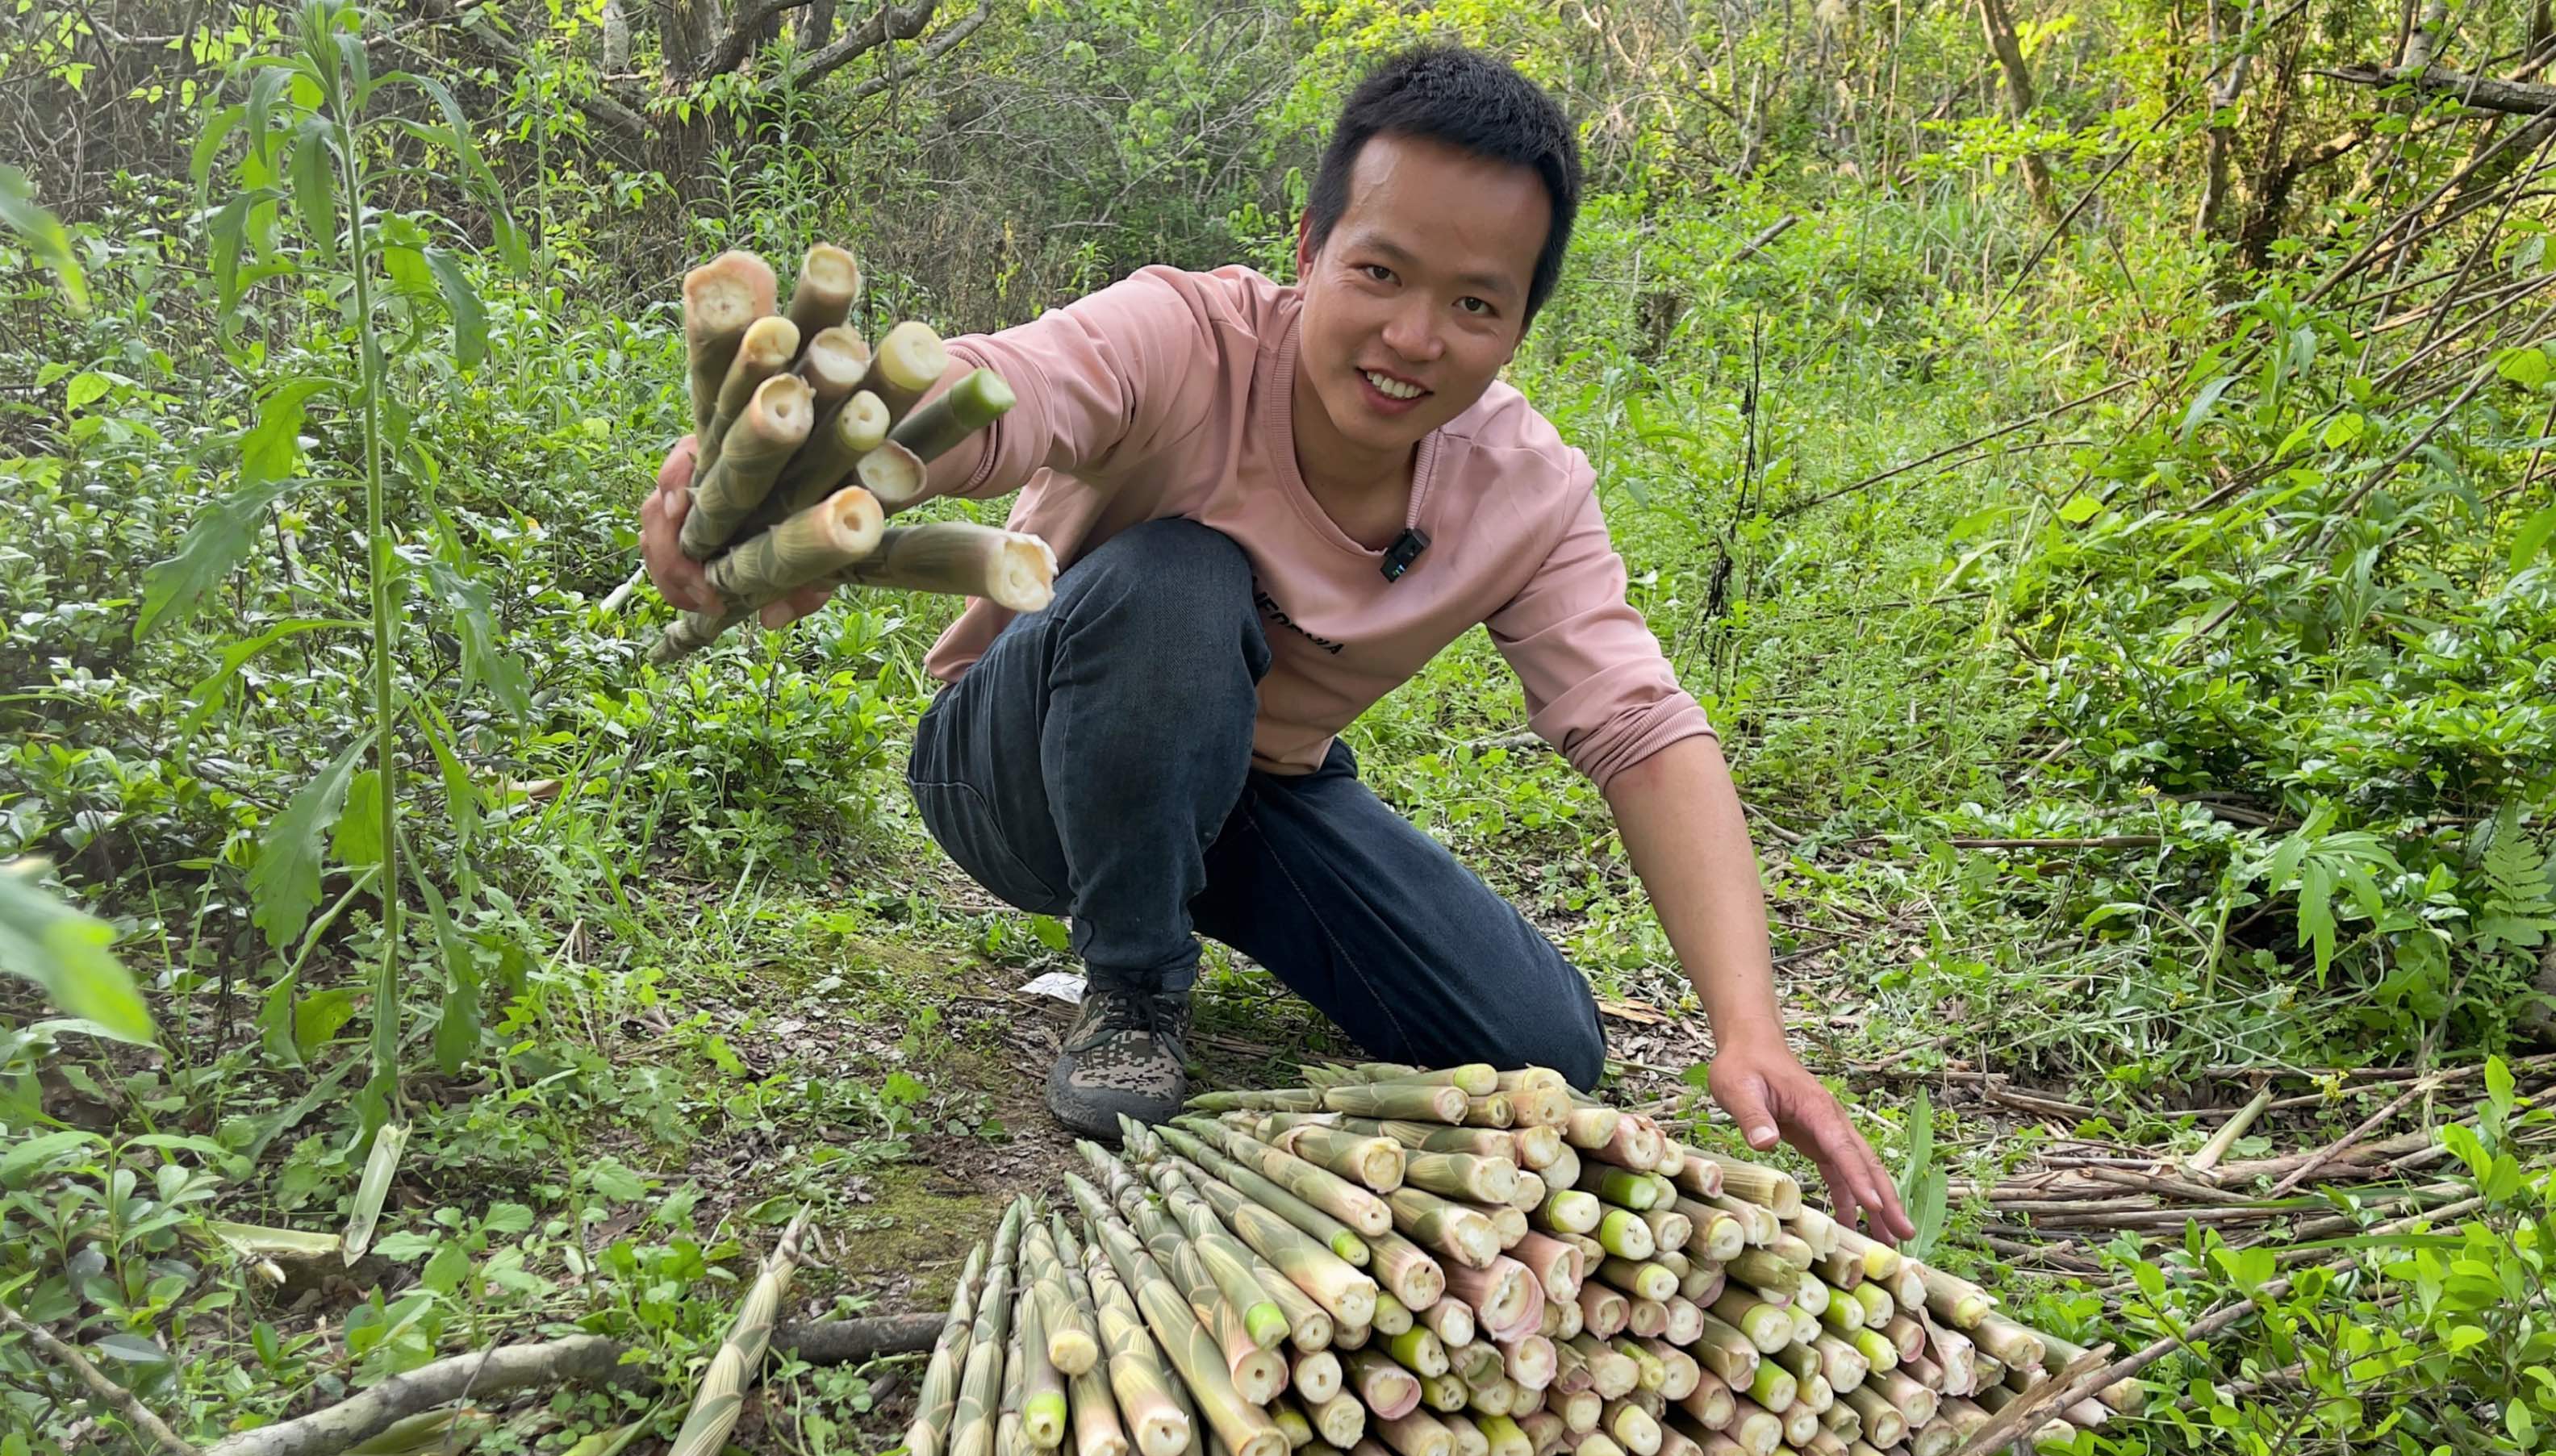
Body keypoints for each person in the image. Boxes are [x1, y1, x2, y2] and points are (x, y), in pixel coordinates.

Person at [641, 46, 1914, 1240]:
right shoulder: (1184, 339)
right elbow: (1006, 394)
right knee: (1183, 577)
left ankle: (1183, 883)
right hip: (1017, 765)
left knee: (1544, 1048)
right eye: (1381, 272)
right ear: (1310, 247)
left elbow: (1640, 725)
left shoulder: (1527, 488)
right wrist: (782, 474)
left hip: (1248, 781)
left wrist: (1751, 1025)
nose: (1415, 337)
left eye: (1476, 302)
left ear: (1524, 320)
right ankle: (1133, 989)